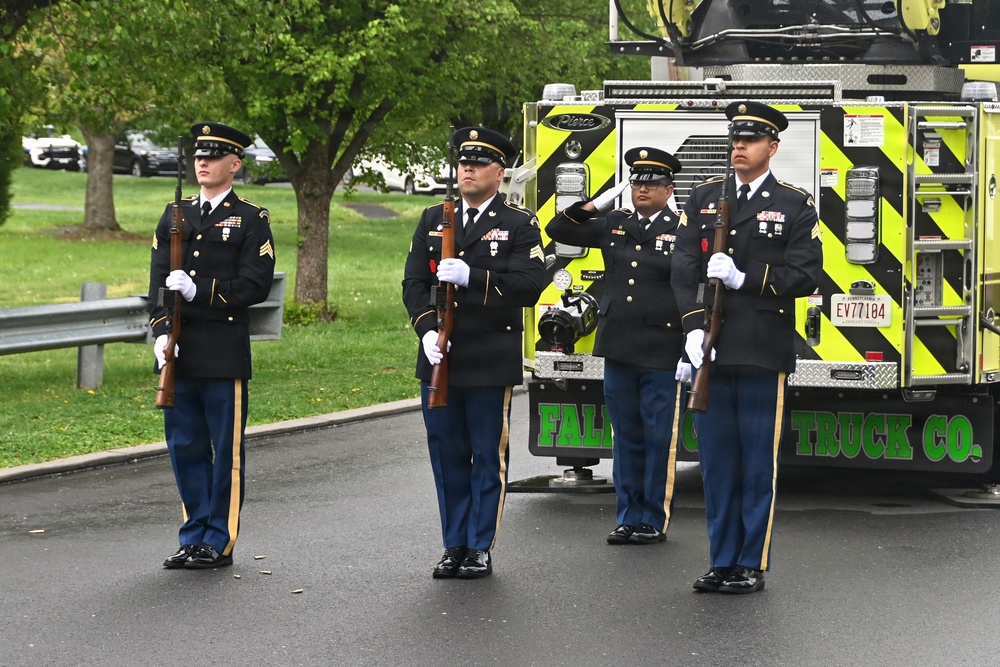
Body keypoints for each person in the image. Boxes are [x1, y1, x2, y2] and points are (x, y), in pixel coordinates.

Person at [671, 101, 823, 593]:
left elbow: (805, 275)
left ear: (772, 147)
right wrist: (693, 327)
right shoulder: (703, 199)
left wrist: (746, 277)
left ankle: (750, 563)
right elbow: (682, 269)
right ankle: (721, 559)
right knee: (716, 464)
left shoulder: (795, 205)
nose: (739, 146)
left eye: (751, 139)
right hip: (710, 352)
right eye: (736, 138)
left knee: (757, 463)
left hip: (760, 350)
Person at [401, 127, 546, 579]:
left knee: (486, 455)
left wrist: (474, 276)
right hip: (440, 358)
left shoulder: (520, 224)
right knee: (446, 455)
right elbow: (414, 284)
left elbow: (529, 285)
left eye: (479, 162)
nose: (468, 168)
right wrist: (426, 330)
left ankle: (479, 545)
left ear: (499, 173)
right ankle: (454, 542)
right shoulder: (434, 218)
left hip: (487, 357)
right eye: (464, 161)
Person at [148, 122, 276, 570]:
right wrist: (162, 331)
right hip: (180, 353)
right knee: (185, 446)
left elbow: (254, 285)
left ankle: (218, 539)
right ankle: (193, 533)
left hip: (222, 351)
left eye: (214, 156)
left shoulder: (251, 218)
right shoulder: (175, 215)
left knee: (226, 452)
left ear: (234, 165)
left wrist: (198, 290)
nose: (202, 162)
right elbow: (158, 282)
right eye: (199, 156)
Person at [546, 147, 686, 546]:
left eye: (653, 182)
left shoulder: (683, 229)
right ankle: (627, 517)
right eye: (638, 182)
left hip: (662, 346)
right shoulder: (614, 222)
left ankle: (653, 519)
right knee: (625, 435)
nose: (644, 189)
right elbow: (559, 229)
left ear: (668, 189)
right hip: (619, 344)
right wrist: (592, 205)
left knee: (658, 437)